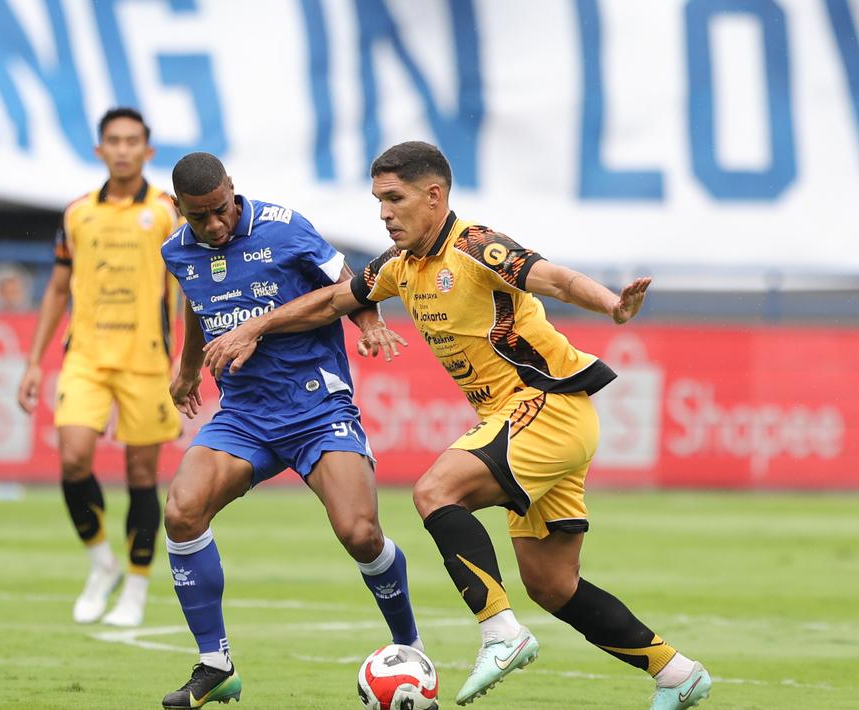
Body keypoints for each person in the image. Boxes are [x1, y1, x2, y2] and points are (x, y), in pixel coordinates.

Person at [202, 141, 712, 710]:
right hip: (531, 421)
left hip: (547, 405)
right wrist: (256, 327)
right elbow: (331, 302)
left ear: (433, 195)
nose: (384, 214)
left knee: (435, 491)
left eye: (394, 199)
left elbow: (556, 280)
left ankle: (500, 632)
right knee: (552, 585)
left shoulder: (475, 247)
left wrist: (612, 305)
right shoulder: (398, 266)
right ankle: (676, 673)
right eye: (378, 201)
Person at [158, 152, 422, 709]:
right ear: (179, 208)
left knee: (360, 533)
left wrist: (370, 323)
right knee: (181, 511)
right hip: (244, 415)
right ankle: (216, 665)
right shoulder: (176, 251)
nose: (214, 225)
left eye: (221, 209)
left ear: (232, 188)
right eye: (199, 216)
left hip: (316, 407)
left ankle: (411, 649)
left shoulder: (284, 227)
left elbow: (347, 284)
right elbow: (195, 303)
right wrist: (187, 369)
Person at [17, 107, 184, 629]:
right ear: (99, 149)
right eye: (114, 140)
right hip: (85, 356)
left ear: (147, 151)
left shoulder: (167, 211)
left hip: (146, 360)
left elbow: (192, 283)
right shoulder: (77, 214)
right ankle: (101, 563)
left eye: (133, 141)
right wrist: (33, 361)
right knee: (72, 459)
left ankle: (136, 585)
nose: (123, 149)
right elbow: (57, 288)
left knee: (141, 475)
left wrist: (190, 358)